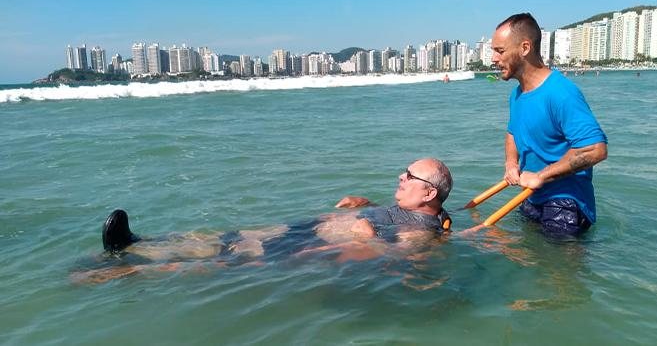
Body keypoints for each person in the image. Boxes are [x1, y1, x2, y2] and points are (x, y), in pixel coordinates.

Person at [74, 158, 453, 283]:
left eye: (410, 177)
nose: (401, 177)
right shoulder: (406, 208)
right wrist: (364, 203)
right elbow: (383, 213)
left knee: (223, 260)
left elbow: (403, 259)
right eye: (404, 171)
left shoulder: (421, 232)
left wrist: (366, 236)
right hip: (299, 230)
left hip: (306, 247)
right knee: (227, 237)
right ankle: (137, 244)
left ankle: (119, 273)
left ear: (429, 194)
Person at [471, 13, 608, 237]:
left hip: (566, 203)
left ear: (525, 48)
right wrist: (511, 163)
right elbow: (512, 132)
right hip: (532, 195)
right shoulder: (517, 94)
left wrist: (541, 176)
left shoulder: (561, 93)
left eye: (500, 50)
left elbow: (596, 149)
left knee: (557, 270)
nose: (493, 59)